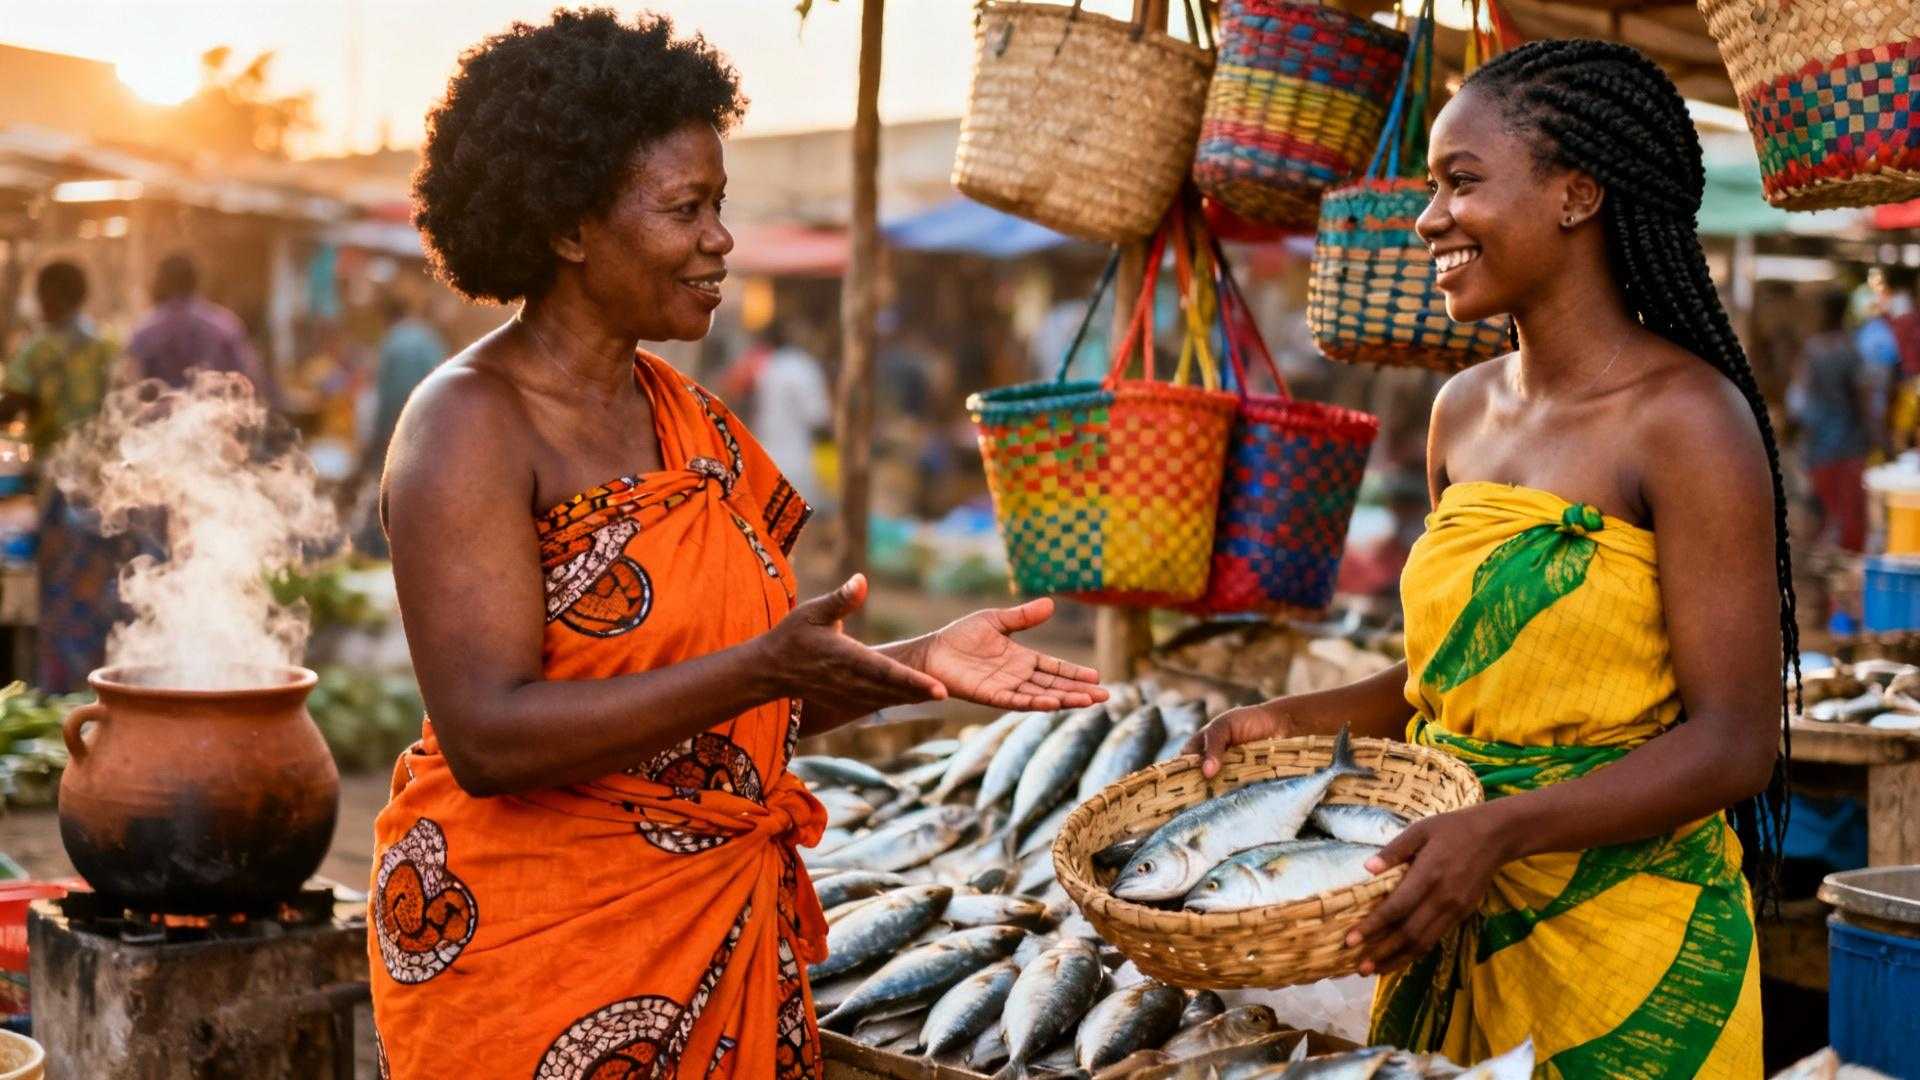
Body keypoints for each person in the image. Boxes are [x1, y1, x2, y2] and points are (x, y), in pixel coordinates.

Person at [367, 12, 1105, 1077]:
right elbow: (488, 738)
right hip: (528, 957)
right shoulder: (467, 426)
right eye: (686, 209)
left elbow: (739, 713)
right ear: (570, 226)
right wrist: (765, 665)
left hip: (719, 928)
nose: (721, 240)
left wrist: (912, 665)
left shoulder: (692, 424)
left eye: (721, 206)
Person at [1188, 41, 1790, 1074]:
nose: (1429, 219)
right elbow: (1450, 675)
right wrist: (1293, 721)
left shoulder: (1688, 420)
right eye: (1432, 187)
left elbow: (1736, 744)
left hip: (1633, 963)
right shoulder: (1460, 412)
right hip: (1441, 917)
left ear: (1575, 195)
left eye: (1461, 183)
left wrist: (1503, 831)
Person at [1, 261, 121, 691]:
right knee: (98, 590)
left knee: (57, 595)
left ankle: (61, 691)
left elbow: (12, 406)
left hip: (59, 489)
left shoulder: (40, 349)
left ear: (49, 296)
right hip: (104, 488)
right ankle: (102, 686)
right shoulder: (106, 345)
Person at [350, 293, 448, 557]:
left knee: (389, 500)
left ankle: (385, 554)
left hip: (399, 433)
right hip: (435, 434)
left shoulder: (393, 343)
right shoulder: (429, 338)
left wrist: (377, 441)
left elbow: (388, 401)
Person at [124, 253, 277, 407]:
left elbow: (129, 385)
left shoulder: (145, 330)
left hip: (160, 427)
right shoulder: (223, 325)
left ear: (160, 282)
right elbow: (252, 376)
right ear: (196, 282)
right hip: (217, 423)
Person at [1789, 291, 1873, 551]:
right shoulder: (1851, 349)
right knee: (1849, 513)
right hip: (1849, 443)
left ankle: (1824, 560)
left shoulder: (1812, 350)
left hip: (1819, 442)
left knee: (1823, 509)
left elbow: (1798, 398)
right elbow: (1862, 398)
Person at [744, 321, 833, 507]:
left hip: (767, 458)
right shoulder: (804, 368)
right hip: (798, 463)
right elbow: (818, 418)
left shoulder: (769, 367)